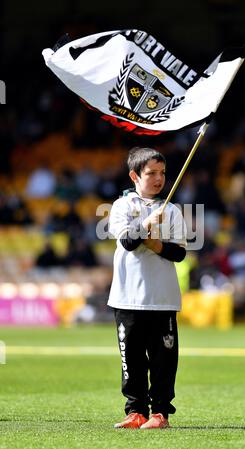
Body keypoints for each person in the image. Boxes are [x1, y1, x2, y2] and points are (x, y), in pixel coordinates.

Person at [107, 147, 187, 429]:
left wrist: (155, 244)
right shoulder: (121, 207)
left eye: (162, 173)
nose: (158, 179)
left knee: (164, 361)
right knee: (132, 358)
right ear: (134, 175)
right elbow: (127, 242)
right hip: (127, 298)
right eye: (151, 173)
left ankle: (160, 413)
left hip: (163, 298)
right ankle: (135, 411)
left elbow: (179, 254)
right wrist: (145, 223)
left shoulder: (173, 210)